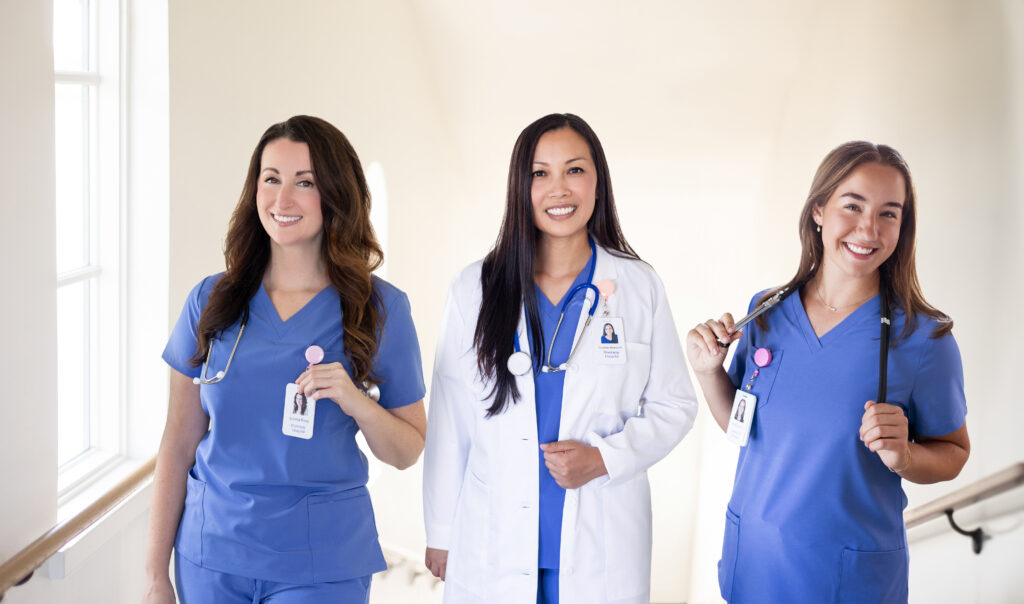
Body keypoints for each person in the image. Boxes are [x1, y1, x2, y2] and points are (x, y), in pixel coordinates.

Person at [143, 116, 427, 604]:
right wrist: (154, 574)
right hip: (212, 554)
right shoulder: (212, 300)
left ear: (336, 194)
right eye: (271, 179)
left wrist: (356, 401)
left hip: (320, 562)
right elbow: (177, 442)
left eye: (305, 183)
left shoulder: (378, 309)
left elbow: (406, 451)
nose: (282, 200)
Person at [423, 113, 697, 604]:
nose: (559, 189)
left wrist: (603, 459)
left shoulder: (637, 286)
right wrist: (441, 529)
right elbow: (450, 416)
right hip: (492, 544)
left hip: (601, 547)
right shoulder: (475, 288)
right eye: (539, 173)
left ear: (598, 183)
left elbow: (675, 404)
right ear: (519, 187)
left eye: (574, 170)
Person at [686, 141, 969, 603]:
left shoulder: (923, 339)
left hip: (846, 580)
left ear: (903, 227)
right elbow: (741, 427)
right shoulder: (766, 311)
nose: (868, 228)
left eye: (888, 213)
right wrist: (707, 373)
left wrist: (905, 457)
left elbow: (954, 451)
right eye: (852, 205)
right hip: (753, 565)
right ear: (818, 210)